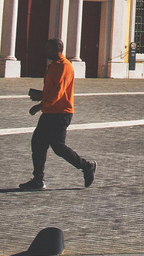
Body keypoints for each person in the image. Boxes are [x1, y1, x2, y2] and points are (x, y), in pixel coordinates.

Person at [21, 38, 95, 190]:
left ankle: (86, 166)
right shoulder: (53, 66)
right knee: (38, 144)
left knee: (58, 147)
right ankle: (38, 180)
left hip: (61, 113)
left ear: (57, 49)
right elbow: (52, 91)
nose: (45, 52)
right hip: (50, 112)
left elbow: (58, 94)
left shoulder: (64, 67)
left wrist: (39, 106)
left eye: (49, 49)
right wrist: (41, 95)